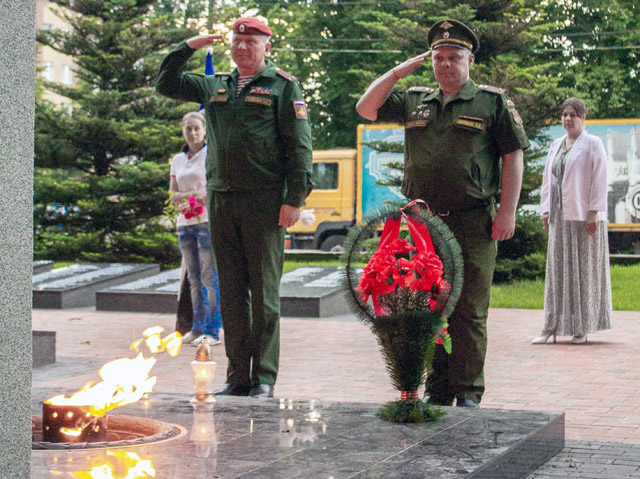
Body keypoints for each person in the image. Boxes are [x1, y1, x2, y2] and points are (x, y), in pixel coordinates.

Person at [356, 19, 529, 408]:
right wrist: (399, 72)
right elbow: (366, 107)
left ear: (470, 60)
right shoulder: (415, 100)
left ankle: (467, 392)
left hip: (472, 221)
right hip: (422, 226)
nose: (445, 65)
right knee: (426, 307)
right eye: (438, 58)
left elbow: (513, 155)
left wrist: (507, 212)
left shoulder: (491, 102)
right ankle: (439, 388)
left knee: (468, 311)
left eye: (454, 57)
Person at [157, 17, 313, 398]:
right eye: (237, 40)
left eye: (251, 41)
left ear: (267, 48)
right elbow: (165, 82)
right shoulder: (215, 85)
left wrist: (295, 199)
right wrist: (189, 45)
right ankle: (237, 377)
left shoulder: (283, 87)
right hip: (222, 201)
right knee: (230, 292)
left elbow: (300, 148)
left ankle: (262, 377)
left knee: (264, 295)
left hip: (265, 202)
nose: (243, 47)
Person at [533, 97, 612, 345]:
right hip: (559, 217)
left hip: (583, 218)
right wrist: (545, 212)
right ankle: (551, 327)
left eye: (573, 115)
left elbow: (600, 179)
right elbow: (548, 180)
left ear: (583, 118)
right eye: (565, 115)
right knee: (557, 272)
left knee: (582, 272)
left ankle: (581, 327)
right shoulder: (556, 145)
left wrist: (594, 213)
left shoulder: (593, 144)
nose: (568, 119)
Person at [169, 111, 223, 347]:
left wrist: (198, 196)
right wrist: (192, 195)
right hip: (185, 223)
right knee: (193, 278)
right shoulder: (177, 160)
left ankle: (213, 330)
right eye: (188, 128)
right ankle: (197, 326)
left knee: (209, 277)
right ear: (183, 131)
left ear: (204, 131)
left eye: (196, 128)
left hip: (206, 222)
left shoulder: (211, 155)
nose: (192, 132)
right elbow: (173, 194)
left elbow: (214, 188)